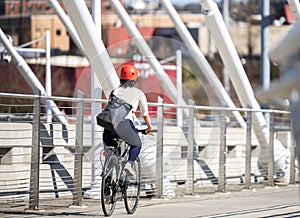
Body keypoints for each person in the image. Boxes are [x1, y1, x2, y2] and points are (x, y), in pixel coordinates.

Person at [102, 64, 152, 176]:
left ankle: (107, 178)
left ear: (121, 79)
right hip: (124, 125)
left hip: (108, 127)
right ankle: (129, 165)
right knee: (136, 144)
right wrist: (149, 127)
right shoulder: (139, 93)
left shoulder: (114, 91)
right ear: (134, 81)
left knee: (111, 150)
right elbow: (145, 115)